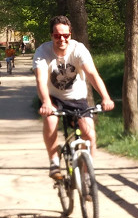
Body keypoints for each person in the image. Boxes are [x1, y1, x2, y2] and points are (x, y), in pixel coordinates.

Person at [32, 15, 115, 178]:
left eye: (65, 35)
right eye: (57, 35)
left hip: (78, 98)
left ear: (70, 34)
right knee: (50, 121)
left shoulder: (78, 49)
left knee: (89, 135)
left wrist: (105, 97)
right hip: (54, 98)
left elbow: (92, 74)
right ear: (51, 36)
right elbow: (40, 80)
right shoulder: (42, 52)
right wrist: (46, 102)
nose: (61, 39)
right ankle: (54, 162)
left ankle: (87, 176)